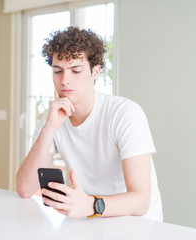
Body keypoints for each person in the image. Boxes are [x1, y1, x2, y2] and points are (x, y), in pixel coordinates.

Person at [16, 26, 163, 221]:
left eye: (75, 70)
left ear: (96, 72)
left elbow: (141, 201)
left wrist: (90, 204)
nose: (65, 80)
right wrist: (50, 127)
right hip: (90, 221)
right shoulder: (53, 118)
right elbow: (25, 189)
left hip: (138, 225)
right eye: (58, 71)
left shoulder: (125, 114)